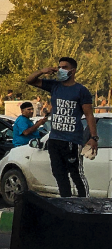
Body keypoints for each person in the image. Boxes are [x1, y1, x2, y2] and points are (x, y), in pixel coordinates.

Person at [26, 57, 98, 197]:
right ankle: (66, 201)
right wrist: (43, 71)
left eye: (64, 67)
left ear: (73, 70)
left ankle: (84, 204)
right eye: (59, 67)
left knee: (76, 173)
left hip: (72, 140)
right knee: (59, 173)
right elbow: (29, 80)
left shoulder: (81, 90)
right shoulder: (54, 86)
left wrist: (93, 137)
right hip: (55, 139)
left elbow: (89, 115)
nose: (60, 70)